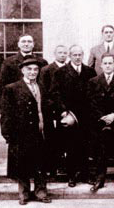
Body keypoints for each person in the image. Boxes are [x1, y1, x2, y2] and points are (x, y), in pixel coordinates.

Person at [0, 57, 52, 205]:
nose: (32, 72)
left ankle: (41, 192)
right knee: (22, 164)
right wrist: (8, 134)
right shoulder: (12, 88)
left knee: (40, 163)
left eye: (35, 69)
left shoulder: (41, 86)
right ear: (22, 70)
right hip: (21, 134)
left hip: (40, 132)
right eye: (29, 69)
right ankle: (24, 194)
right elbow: (6, 114)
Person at [50, 45, 97, 187]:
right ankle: (71, 176)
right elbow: (55, 93)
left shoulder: (89, 71)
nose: (77, 57)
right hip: (68, 115)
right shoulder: (60, 72)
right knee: (70, 146)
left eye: (80, 55)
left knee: (86, 145)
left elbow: (95, 92)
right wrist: (63, 111)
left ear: (83, 55)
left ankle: (85, 174)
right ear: (70, 56)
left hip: (86, 115)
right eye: (74, 55)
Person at [88, 54, 114, 193]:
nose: (107, 65)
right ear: (100, 65)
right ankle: (99, 180)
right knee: (100, 153)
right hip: (100, 123)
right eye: (105, 63)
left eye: (110, 63)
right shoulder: (93, 81)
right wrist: (102, 117)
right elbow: (91, 103)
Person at [39, 45, 68, 176]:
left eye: (64, 53)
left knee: (65, 138)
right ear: (55, 54)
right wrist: (56, 107)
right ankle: (51, 167)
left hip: (67, 111)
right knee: (51, 138)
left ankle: (64, 165)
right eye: (60, 53)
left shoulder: (69, 69)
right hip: (51, 111)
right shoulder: (46, 70)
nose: (62, 55)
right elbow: (44, 92)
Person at [0, 34, 48, 104]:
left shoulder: (42, 62)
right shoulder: (8, 62)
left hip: (37, 101)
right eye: (23, 41)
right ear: (18, 44)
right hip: (17, 102)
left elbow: (46, 85)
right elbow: (3, 86)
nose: (26, 44)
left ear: (33, 44)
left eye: (29, 42)